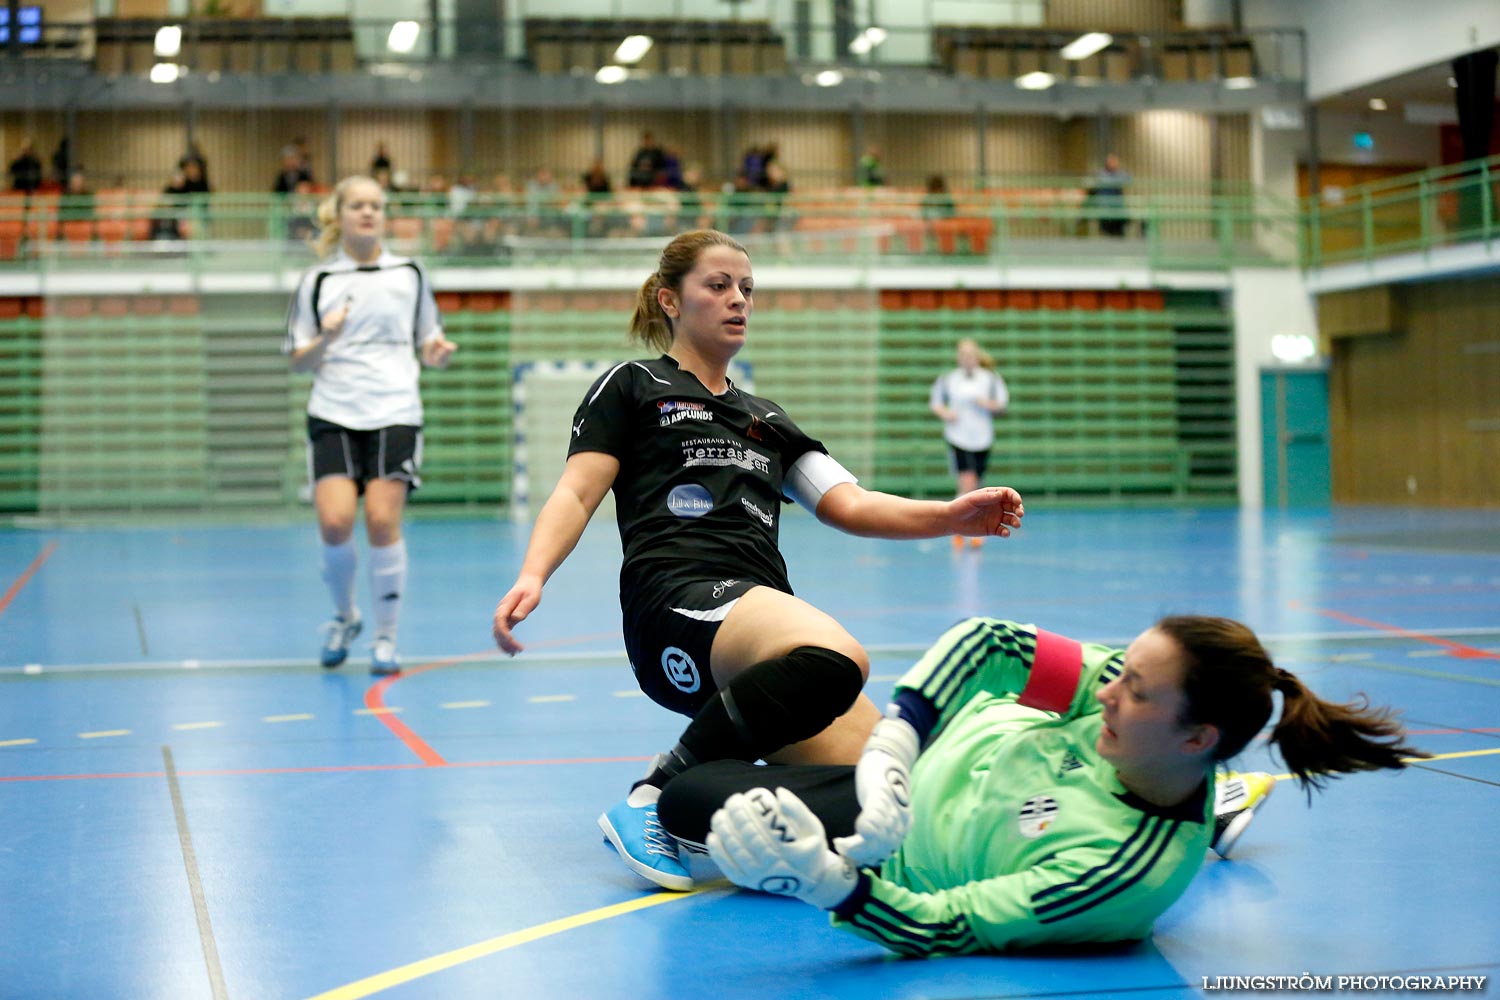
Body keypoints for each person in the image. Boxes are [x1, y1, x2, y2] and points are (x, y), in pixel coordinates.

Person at [491, 229, 1025, 892]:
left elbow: (849, 503)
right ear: (670, 300)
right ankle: (650, 797)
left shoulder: (767, 419)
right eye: (718, 286)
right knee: (840, 656)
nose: (737, 299)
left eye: (747, 289)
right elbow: (575, 491)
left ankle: (699, 811)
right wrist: (533, 573)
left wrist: (949, 514)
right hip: (677, 602)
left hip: (756, 630)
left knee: (898, 790)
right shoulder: (634, 386)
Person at [655, 614, 1427, 955]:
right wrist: (896, 743)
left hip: (891, 844)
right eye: (1120, 669)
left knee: (690, 801)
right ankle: (1216, 798)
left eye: (1136, 692)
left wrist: (830, 885)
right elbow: (991, 643)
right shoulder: (1120, 693)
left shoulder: (1117, 874)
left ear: (1198, 739)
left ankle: (1211, 809)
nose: (1107, 691)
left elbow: (946, 925)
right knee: (795, 685)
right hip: (909, 774)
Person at [283, 175, 458, 675]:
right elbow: (297, 360)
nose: (367, 213)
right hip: (334, 410)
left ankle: (386, 636)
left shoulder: (409, 272)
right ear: (339, 215)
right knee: (335, 522)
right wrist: (325, 338)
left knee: (382, 522)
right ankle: (344, 616)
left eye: (375, 206)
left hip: (395, 410)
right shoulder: (318, 281)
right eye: (357, 205)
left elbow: (429, 340)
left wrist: (438, 355)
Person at [929, 338, 1008, 550]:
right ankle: (964, 529)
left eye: (971, 355)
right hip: (958, 437)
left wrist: (987, 404)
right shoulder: (948, 379)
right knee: (968, 483)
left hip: (982, 438)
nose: (967, 359)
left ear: (977, 356)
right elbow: (935, 403)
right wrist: (946, 413)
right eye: (963, 355)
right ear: (958, 357)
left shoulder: (990, 379)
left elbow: (1002, 406)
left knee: (974, 484)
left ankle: (961, 526)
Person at [1089, 152, 1131, 237]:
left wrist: (1114, 181)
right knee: (1106, 234)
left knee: (1119, 234)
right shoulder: (1101, 174)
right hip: (1105, 209)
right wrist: (1115, 182)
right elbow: (1098, 181)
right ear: (1106, 163)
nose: (1114, 164)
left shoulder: (1120, 174)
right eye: (1111, 162)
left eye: (1115, 162)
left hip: (1118, 209)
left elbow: (1128, 179)